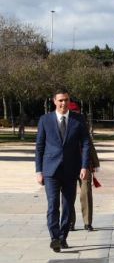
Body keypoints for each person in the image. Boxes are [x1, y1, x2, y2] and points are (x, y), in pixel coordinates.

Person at [35, 90, 92, 252]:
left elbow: (86, 143)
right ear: (54, 101)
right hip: (51, 170)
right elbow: (39, 147)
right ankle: (54, 237)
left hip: (71, 170)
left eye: (66, 100)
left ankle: (63, 236)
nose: (63, 103)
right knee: (53, 205)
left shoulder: (78, 120)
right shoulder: (45, 120)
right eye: (60, 100)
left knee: (67, 205)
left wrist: (84, 166)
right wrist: (38, 171)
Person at [67, 101, 100, 232]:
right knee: (68, 195)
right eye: (73, 113)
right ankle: (69, 222)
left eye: (77, 113)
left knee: (86, 193)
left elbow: (89, 145)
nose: (75, 116)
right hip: (68, 165)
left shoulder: (82, 126)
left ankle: (87, 222)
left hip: (84, 165)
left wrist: (95, 163)